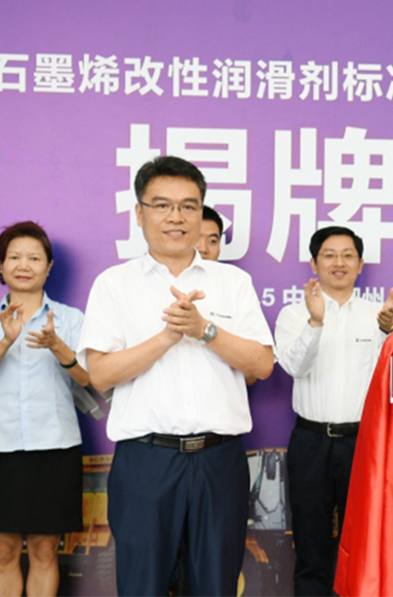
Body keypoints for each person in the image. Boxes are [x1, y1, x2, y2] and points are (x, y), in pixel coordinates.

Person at [78, 156, 274, 597]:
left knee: (216, 585)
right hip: (146, 462)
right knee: (142, 585)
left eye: (188, 206)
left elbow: (261, 364)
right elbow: (100, 374)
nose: (176, 217)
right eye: (162, 205)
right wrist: (168, 336)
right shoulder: (114, 284)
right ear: (139, 213)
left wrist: (204, 330)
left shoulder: (232, 283)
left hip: (219, 461)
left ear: (201, 213)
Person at [275, 226, 393, 596]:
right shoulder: (294, 314)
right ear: (314, 264)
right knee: (310, 545)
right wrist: (315, 323)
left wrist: (391, 332)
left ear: (360, 264)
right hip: (310, 440)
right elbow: (294, 367)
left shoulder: (380, 315)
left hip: (363, 443)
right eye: (329, 255)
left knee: (362, 543)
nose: (339, 263)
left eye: (348, 255)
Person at [0, 221, 88, 597]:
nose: (24, 265)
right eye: (14, 257)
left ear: (49, 267)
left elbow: (92, 379)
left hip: (54, 447)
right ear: (1, 265)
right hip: (1, 447)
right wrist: (6, 341)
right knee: (3, 552)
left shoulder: (70, 319)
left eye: (34, 258)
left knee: (44, 551)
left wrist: (58, 347)